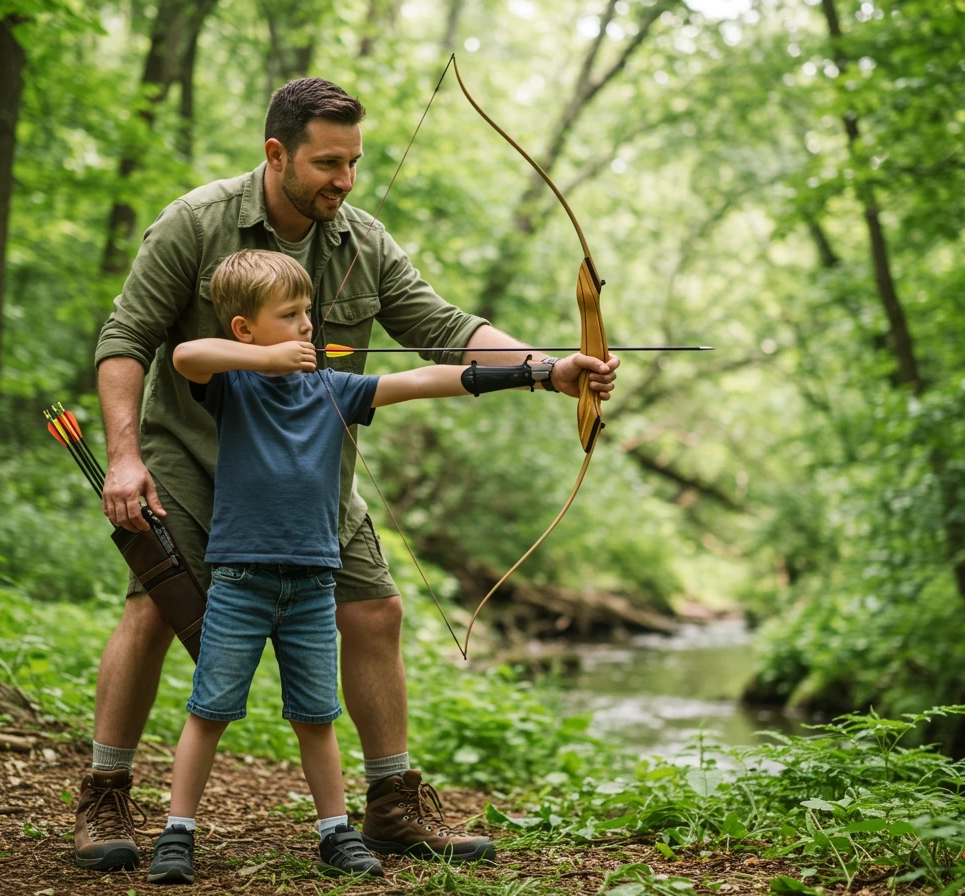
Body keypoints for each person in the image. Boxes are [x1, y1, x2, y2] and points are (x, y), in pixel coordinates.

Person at [81, 75, 619, 872]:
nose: (346, 180)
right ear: (277, 153)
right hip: (192, 457)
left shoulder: (362, 239)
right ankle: (105, 793)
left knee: (375, 612)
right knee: (154, 610)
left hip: (309, 470)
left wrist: (547, 368)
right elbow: (129, 337)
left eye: (355, 163)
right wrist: (123, 457)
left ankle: (392, 805)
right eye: (329, 163)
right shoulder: (197, 224)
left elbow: (442, 332)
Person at [147, 249, 543, 884]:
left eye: (309, 313)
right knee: (211, 708)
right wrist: (265, 360)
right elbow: (185, 356)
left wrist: (539, 372)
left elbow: (424, 380)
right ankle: (178, 832)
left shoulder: (336, 388)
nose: (308, 326)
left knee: (316, 714)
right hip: (240, 581)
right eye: (292, 315)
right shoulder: (234, 385)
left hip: (311, 583)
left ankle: (335, 832)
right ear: (244, 329)